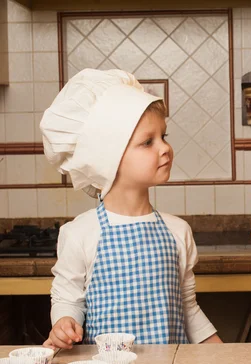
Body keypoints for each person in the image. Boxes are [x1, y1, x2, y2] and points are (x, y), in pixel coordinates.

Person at [40, 69, 221, 348]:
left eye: (164, 136)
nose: (165, 148)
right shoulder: (80, 234)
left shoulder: (177, 231)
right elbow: (68, 300)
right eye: (148, 142)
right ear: (108, 159)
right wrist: (64, 323)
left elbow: (188, 309)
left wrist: (224, 356)